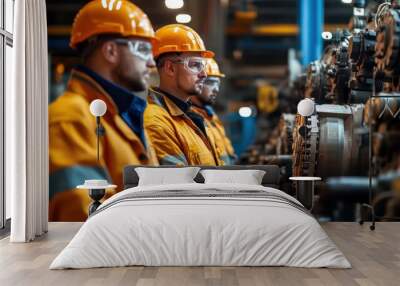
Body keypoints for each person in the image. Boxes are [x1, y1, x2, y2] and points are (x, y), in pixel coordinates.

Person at [49, 0, 158, 221]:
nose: (151, 63)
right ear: (110, 51)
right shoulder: (70, 119)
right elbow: (82, 221)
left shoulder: (124, 116)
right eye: (144, 50)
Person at [144, 24, 223, 166]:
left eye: (203, 66)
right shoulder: (157, 122)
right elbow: (179, 185)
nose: (204, 74)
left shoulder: (191, 117)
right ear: (170, 68)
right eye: (195, 65)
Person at [191, 58, 237, 165]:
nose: (216, 89)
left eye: (218, 84)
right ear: (197, 81)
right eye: (211, 83)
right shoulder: (191, 119)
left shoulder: (211, 115)